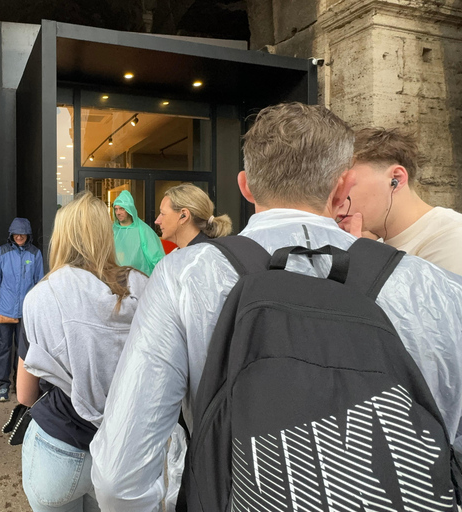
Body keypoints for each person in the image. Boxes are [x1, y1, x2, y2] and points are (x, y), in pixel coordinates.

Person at [90, 102, 462, 511]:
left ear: (246, 186)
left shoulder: (186, 277)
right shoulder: (435, 289)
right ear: (343, 188)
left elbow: (118, 478)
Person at [17, 192, 148, 512]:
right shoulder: (142, 286)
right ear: (106, 234)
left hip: (59, 447)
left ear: (61, 236)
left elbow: (24, 394)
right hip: (124, 451)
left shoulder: (41, 296)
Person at [340, 127, 462, 275]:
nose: (337, 198)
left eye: (348, 184)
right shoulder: (374, 245)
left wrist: (359, 267)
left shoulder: (451, 241)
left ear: (396, 179)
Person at [0, 217, 44, 403]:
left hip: (26, 312)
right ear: (11, 234)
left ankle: (20, 383)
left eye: (23, 233)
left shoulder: (35, 254)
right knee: (3, 348)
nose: (20, 236)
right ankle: (3, 385)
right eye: (16, 233)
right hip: (5, 309)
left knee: (24, 351)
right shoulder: (2, 252)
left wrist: (37, 311)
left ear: (28, 234)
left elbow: (39, 284)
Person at [155, 183, 232, 248]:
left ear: (184, 215)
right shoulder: (207, 251)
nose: (157, 221)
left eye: (162, 214)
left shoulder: (202, 258)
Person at [112, 190, 164, 276]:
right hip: (116, 278)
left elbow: (155, 257)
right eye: (116, 209)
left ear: (129, 209)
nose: (118, 212)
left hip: (140, 278)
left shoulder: (143, 230)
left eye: (122, 209)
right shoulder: (112, 230)